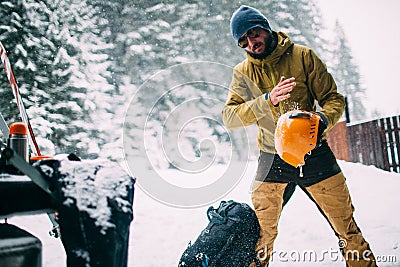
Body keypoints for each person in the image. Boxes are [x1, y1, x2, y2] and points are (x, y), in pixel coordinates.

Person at [222, 5, 377, 267]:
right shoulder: (243, 73)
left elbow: (332, 98)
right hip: (272, 159)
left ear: (266, 28)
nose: (252, 43)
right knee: (260, 235)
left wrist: (323, 120)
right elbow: (230, 116)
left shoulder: (303, 56)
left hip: (313, 153)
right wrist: (267, 100)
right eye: (244, 41)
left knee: (346, 228)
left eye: (254, 33)